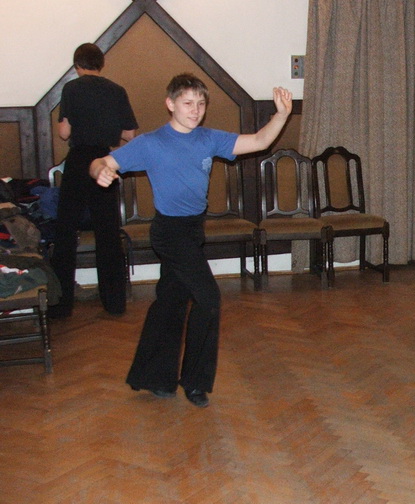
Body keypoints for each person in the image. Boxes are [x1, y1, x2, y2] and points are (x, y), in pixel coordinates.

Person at [90, 73, 293, 408]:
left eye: (200, 103)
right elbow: (101, 162)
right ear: (170, 104)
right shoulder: (151, 143)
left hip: (194, 229)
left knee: (170, 301)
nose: (195, 110)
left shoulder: (208, 138)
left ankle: (154, 377)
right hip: (169, 232)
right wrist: (100, 170)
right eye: (187, 103)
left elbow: (259, 141)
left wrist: (282, 115)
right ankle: (195, 382)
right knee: (208, 298)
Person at [48, 43, 138, 319]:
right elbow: (130, 135)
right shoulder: (117, 90)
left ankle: (61, 305)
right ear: (101, 64)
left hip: (78, 162)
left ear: (77, 66)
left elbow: (64, 133)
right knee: (108, 233)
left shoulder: (71, 88)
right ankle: (114, 302)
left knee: (66, 232)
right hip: (105, 162)